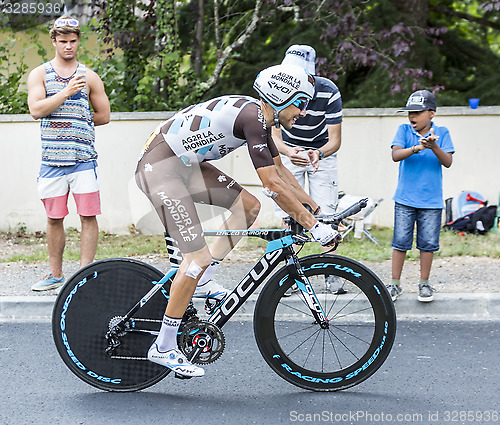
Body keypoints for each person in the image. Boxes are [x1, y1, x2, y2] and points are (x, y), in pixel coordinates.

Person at [135, 64, 341, 377]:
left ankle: (203, 281)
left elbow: (281, 173)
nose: (302, 111)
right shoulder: (254, 119)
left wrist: (318, 212)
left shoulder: (258, 117)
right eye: (300, 103)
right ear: (282, 97)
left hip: (182, 166)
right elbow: (273, 186)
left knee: (248, 206)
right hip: (161, 169)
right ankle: (163, 346)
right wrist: (315, 229)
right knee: (196, 258)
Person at [27, 16, 110, 291]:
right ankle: (55, 274)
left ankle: (84, 275)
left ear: (78, 41)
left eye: (73, 41)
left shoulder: (90, 76)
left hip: (83, 161)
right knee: (54, 218)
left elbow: (104, 115)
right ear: (54, 41)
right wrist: (65, 93)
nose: (68, 46)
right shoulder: (40, 74)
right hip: (52, 161)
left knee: (88, 216)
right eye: (63, 41)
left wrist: (78, 120)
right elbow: (36, 110)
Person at [271, 45, 344, 293]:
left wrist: (318, 153)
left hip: (321, 153)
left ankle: (331, 273)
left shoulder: (329, 92)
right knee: (289, 213)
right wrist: (290, 152)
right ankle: (290, 275)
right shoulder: (278, 91)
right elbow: (275, 137)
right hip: (289, 151)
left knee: (325, 213)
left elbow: (335, 140)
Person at [387, 90, 454, 303]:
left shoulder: (442, 133)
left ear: (432, 113)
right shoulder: (404, 130)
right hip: (405, 199)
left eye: (417, 112)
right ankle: (395, 284)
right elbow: (396, 155)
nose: (411, 117)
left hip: (432, 202)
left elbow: (448, 161)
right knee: (400, 242)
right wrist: (417, 147)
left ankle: (424, 283)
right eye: (409, 113)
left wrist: (433, 145)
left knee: (428, 244)